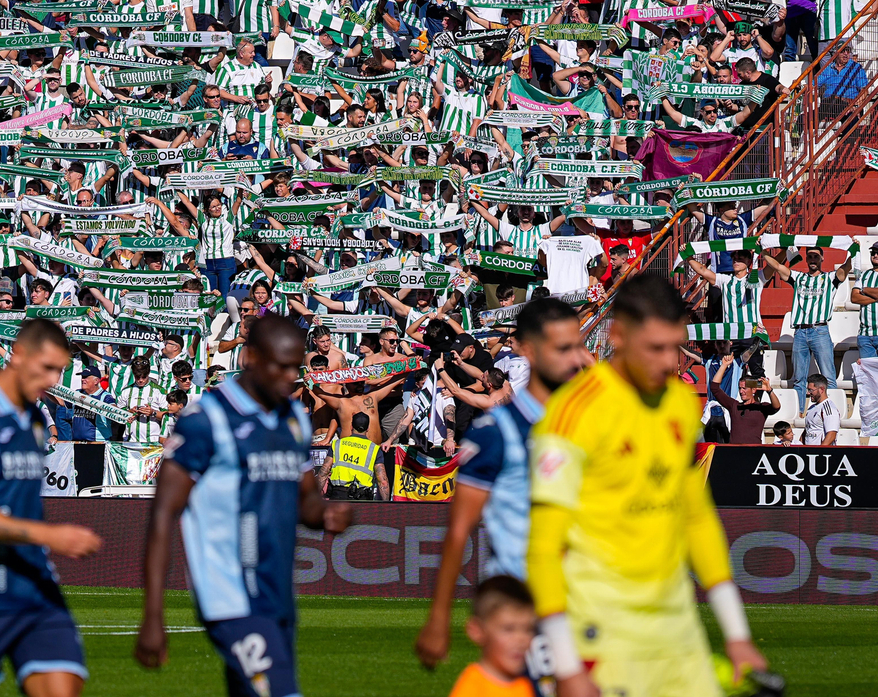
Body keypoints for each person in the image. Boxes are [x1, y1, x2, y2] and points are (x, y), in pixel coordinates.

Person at [526, 276, 766, 697]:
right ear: (617, 336)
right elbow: (544, 547)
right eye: (654, 347)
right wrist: (565, 665)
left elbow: (696, 519)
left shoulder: (677, 403)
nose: (668, 361)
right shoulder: (572, 413)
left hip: (677, 626)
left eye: (675, 346)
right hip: (600, 630)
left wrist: (737, 634)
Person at [136, 316, 353, 697]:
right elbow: (162, 515)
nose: (291, 377)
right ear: (250, 357)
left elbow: (307, 503)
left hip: (278, 592)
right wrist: (153, 616)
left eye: (296, 367)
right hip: (230, 596)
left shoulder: (293, 421)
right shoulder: (208, 421)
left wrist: (327, 515)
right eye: (280, 366)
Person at [414, 297, 589, 674]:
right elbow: (459, 529)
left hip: (583, 601)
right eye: (561, 348)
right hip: (520, 610)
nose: (574, 358)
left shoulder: (588, 426)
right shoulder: (497, 431)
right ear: (527, 350)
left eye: (577, 346)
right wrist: (438, 617)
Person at [0, 319, 101, 697]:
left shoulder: (34, 418)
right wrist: (50, 535)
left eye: (59, 371)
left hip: (35, 585)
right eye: (46, 368)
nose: (52, 379)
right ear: (18, 354)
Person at [764, 246, 846, 409]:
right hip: (800, 331)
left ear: (822, 259)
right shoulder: (798, 277)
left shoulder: (829, 278)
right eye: (810, 256)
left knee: (828, 376)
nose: (813, 259)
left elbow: (845, 270)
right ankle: (799, 412)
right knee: (799, 379)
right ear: (806, 259)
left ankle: (832, 412)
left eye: (816, 256)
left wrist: (853, 252)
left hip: (819, 330)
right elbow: (777, 266)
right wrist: (763, 251)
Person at [710, 361, 780, 444]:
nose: (741, 391)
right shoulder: (734, 406)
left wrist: (769, 391)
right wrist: (724, 365)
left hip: (754, 452)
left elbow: (776, 407)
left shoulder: (761, 407)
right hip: (734, 452)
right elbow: (715, 388)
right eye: (740, 388)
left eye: (744, 388)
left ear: (753, 390)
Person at [323, 410, 384, 500]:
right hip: (362, 499)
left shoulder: (338, 444)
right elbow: (383, 482)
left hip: (338, 496)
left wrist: (315, 498)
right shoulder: (374, 449)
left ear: (351, 426)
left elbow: (323, 472)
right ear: (368, 428)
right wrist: (386, 504)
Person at [800, 373, 839, 446]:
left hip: (820, 454)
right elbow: (807, 430)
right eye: (808, 390)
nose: (808, 393)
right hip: (808, 453)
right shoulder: (811, 408)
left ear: (821, 389)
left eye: (811, 390)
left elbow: (831, 434)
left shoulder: (828, 408)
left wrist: (820, 452)